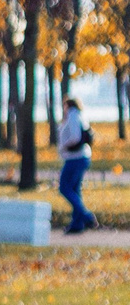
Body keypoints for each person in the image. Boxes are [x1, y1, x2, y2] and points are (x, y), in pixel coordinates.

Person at [57, 96, 95, 235]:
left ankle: (86, 216)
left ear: (68, 105)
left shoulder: (73, 116)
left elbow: (75, 137)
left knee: (64, 188)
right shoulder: (80, 116)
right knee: (75, 190)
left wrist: (63, 146)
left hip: (75, 158)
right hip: (82, 157)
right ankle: (77, 224)